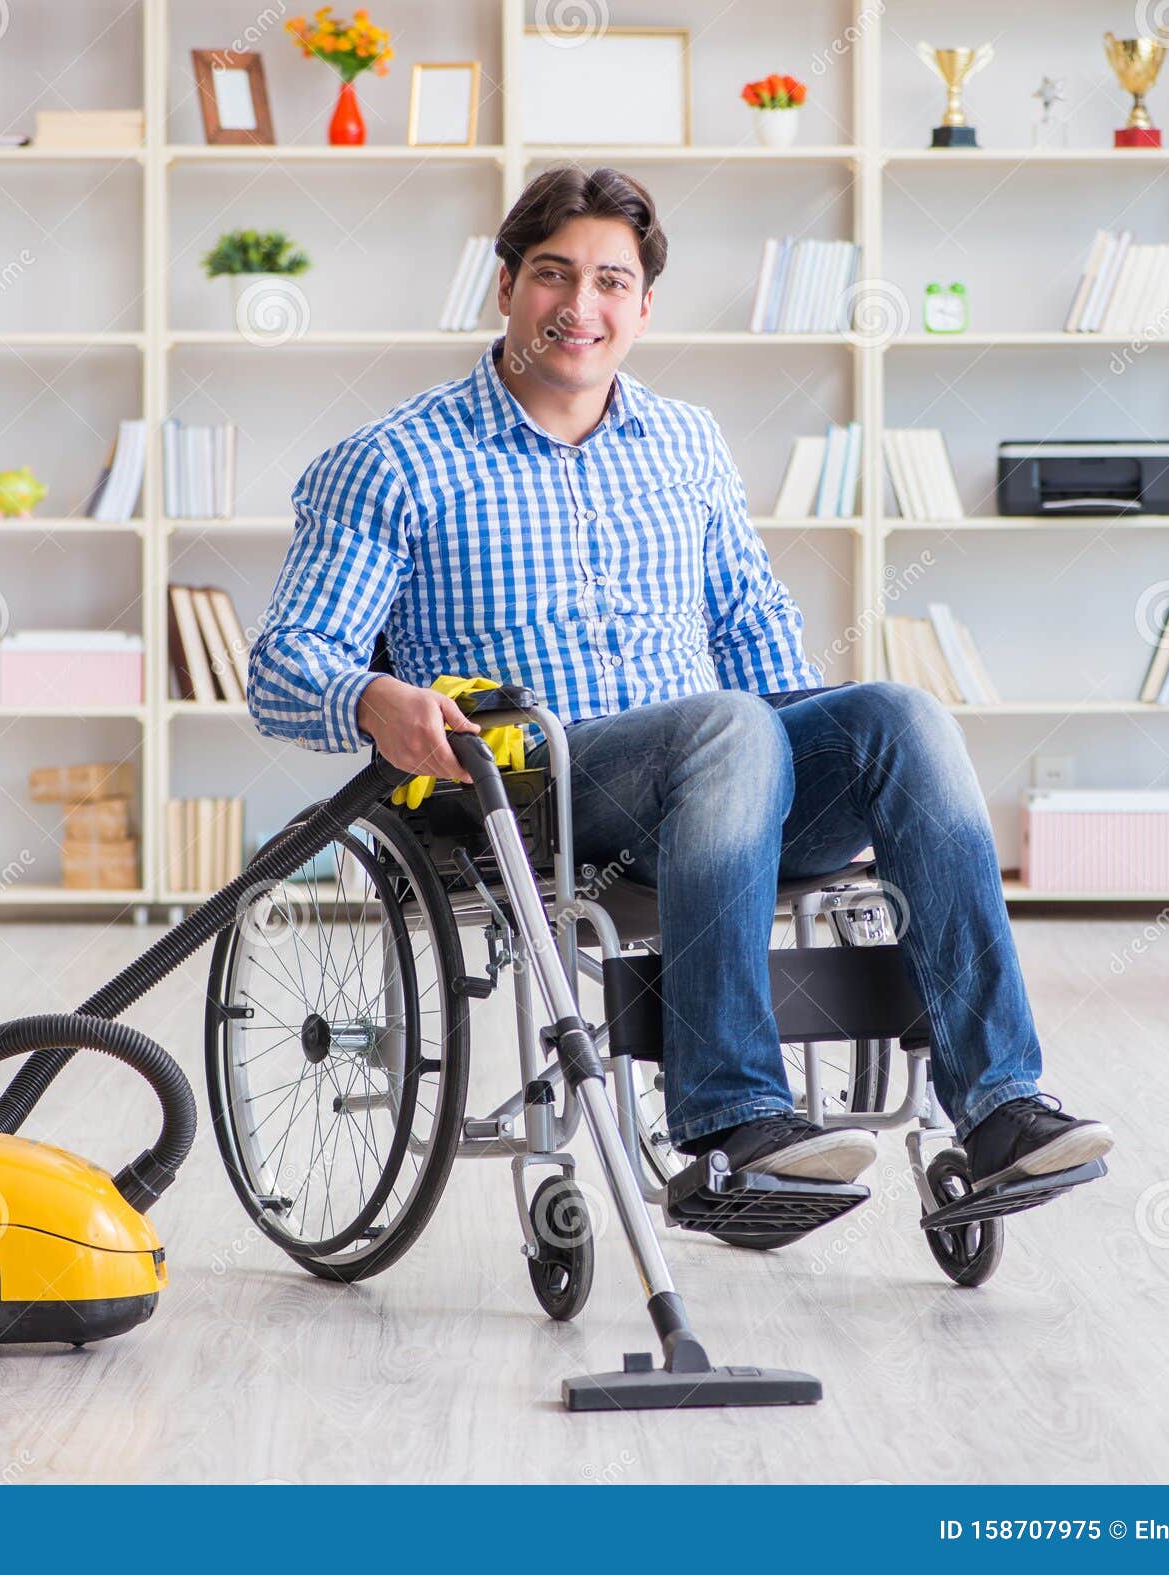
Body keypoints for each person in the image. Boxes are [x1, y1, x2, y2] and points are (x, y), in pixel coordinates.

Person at [247, 165, 1112, 1202]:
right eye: (553, 276)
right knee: (728, 727)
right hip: (544, 796)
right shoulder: (392, 463)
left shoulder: (687, 444)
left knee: (897, 713)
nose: (580, 307)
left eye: (611, 283)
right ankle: (732, 1119)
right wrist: (367, 699)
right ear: (505, 284)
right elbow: (283, 664)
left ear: (643, 307)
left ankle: (1002, 1105)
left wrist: (819, 732)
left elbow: (750, 627)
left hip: (727, 788)